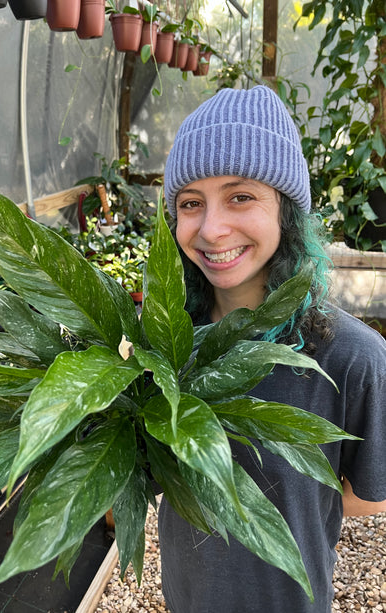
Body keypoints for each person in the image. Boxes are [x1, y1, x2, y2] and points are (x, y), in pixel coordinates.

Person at [159, 85, 386, 613]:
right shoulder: (166, 340)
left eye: (240, 196)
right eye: (191, 203)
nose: (212, 229)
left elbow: (370, 494)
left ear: (286, 211)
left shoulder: (350, 357)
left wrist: (285, 504)